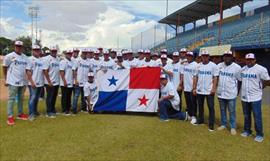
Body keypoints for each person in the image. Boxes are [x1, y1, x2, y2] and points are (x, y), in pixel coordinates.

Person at [239, 53, 270, 142]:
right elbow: (240, 79)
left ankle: (259, 134)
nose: (249, 61)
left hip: (255, 97)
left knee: (257, 116)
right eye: (247, 59)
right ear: (245, 60)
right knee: (246, 115)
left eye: (251, 59)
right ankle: (247, 130)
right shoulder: (243, 69)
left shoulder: (261, 69)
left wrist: (262, 86)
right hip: (244, 96)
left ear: (255, 60)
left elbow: (267, 80)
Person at [3, 41, 29, 125]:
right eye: (17, 46)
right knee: (11, 99)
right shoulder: (9, 56)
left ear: (22, 47)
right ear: (15, 47)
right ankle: (10, 116)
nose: (18, 48)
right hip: (13, 81)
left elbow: (26, 69)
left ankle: (20, 114)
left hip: (22, 81)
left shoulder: (25, 57)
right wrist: (6, 79)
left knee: (21, 98)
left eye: (20, 46)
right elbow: (5, 67)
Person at [216, 51, 241, 135]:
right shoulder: (219, 66)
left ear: (232, 57)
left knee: (232, 111)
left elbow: (240, 80)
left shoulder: (237, 67)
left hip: (231, 93)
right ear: (223, 57)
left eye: (229, 56)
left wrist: (237, 91)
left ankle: (233, 127)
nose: (227, 57)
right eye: (225, 56)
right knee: (222, 110)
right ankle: (223, 124)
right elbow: (216, 77)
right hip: (221, 92)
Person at [193, 50, 218, 131]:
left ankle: (211, 125)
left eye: (206, 56)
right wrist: (194, 88)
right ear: (201, 57)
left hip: (209, 90)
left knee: (211, 107)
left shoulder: (213, 66)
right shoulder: (198, 66)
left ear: (209, 56)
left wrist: (214, 88)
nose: (205, 57)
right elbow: (195, 77)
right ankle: (200, 120)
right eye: (203, 56)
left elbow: (215, 77)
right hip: (200, 90)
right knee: (200, 107)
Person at [26, 45, 44, 121]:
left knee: (36, 98)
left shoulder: (41, 60)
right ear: (32, 51)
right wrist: (32, 82)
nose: (36, 51)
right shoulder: (30, 59)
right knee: (32, 98)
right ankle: (31, 114)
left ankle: (35, 111)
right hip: (33, 83)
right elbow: (28, 71)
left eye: (38, 50)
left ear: (40, 51)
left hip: (40, 83)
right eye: (35, 50)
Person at [181, 51, 198, 125]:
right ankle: (190, 115)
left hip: (192, 87)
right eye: (187, 56)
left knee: (193, 103)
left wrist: (194, 88)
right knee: (188, 102)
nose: (188, 57)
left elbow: (195, 77)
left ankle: (194, 116)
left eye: (190, 56)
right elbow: (183, 75)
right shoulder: (185, 64)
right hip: (186, 87)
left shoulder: (195, 65)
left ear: (192, 57)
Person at [72, 48, 92, 114]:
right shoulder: (78, 60)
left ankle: (84, 108)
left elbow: (90, 71)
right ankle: (74, 109)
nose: (85, 54)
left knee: (84, 96)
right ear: (81, 53)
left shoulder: (89, 61)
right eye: (84, 53)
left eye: (86, 53)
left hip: (85, 82)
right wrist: (75, 80)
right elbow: (74, 70)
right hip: (78, 81)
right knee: (76, 96)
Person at [43, 46, 60, 118]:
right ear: (50, 51)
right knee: (49, 97)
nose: (54, 52)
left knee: (54, 97)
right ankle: (48, 112)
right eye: (53, 51)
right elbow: (45, 71)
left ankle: (53, 109)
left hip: (56, 81)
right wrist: (49, 81)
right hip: (50, 82)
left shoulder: (58, 59)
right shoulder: (47, 59)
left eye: (55, 51)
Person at [59, 50, 74, 115]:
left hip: (70, 82)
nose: (69, 55)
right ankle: (64, 110)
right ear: (66, 54)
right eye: (68, 54)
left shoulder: (72, 62)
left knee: (69, 96)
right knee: (64, 97)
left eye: (70, 54)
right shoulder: (63, 62)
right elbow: (61, 72)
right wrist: (64, 81)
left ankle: (68, 108)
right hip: (65, 82)